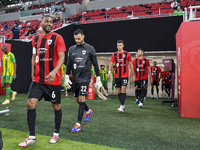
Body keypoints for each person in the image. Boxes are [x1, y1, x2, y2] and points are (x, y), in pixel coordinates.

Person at [18, 15, 66, 147]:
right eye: (47, 21)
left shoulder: (58, 38)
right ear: (41, 23)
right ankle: (32, 137)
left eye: (51, 22)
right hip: (38, 80)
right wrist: (33, 71)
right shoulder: (35, 39)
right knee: (30, 103)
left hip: (53, 80)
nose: (50, 23)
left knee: (56, 106)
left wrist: (55, 71)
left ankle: (56, 133)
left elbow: (62, 57)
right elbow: (34, 56)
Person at [65, 29, 102, 133]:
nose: (77, 40)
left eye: (79, 38)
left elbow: (95, 63)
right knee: (77, 99)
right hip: (75, 78)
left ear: (83, 37)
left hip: (85, 77)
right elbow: (68, 64)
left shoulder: (90, 48)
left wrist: (98, 77)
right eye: (75, 39)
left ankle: (78, 124)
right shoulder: (71, 49)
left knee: (81, 99)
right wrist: (67, 76)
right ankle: (88, 110)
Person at [108, 40, 135, 112]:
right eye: (117, 45)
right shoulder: (114, 54)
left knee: (123, 89)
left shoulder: (127, 54)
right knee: (119, 91)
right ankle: (122, 104)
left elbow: (131, 65)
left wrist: (133, 75)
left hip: (125, 75)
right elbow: (111, 63)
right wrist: (109, 72)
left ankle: (121, 106)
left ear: (123, 46)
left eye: (120, 45)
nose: (119, 47)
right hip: (117, 76)